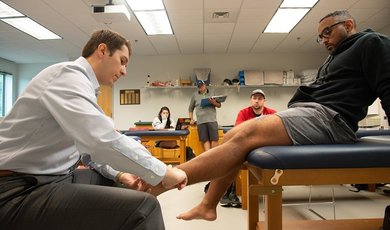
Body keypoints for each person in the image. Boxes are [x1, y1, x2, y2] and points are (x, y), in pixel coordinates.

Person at [150, 10, 390, 221]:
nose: (324, 39)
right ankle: (208, 205)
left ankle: (162, 182)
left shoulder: (371, 42)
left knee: (249, 132)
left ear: (348, 25)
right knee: (234, 133)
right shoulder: (333, 57)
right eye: (321, 36)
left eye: (328, 32)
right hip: (309, 113)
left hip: (331, 120)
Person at [0, 29, 187, 230]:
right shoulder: (67, 76)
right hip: (18, 190)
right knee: (145, 208)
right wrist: (163, 172)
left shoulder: (84, 87)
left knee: (122, 185)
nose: (124, 71)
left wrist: (120, 175)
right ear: (102, 50)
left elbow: (88, 153)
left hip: (54, 179)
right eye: (122, 61)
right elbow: (102, 142)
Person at [220, 89, 277, 207]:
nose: (257, 101)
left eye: (260, 99)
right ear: (250, 100)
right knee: (232, 157)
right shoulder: (243, 112)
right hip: (247, 145)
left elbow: (275, 131)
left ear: (264, 101)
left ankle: (228, 191)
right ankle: (230, 191)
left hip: (266, 146)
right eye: (254, 98)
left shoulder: (272, 113)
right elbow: (238, 130)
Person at [188, 79, 222, 152]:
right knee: (205, 140)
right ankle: (209, 159)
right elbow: (190, 109)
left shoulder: (212, 92)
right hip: (201, 122)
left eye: (202, 85)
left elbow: (219, 105)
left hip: (212, 120)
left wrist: (214, 102)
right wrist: (191, 119)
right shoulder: (195, 95)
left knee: (214, 139)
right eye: (199, 86)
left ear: (205, 85)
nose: (201, 87)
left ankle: (214, 157)